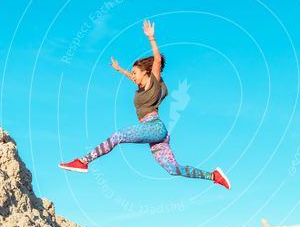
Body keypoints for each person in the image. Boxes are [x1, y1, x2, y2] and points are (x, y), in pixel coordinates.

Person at [59, 19, 231, 188]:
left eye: (135, 73)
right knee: (172, 169)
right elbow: (133, 79)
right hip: (157, 133)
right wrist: (120, 70)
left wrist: (151, 38)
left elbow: (156, 60)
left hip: (153, 127)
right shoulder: (144, 88)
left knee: (118, 136)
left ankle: (83, 161)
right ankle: (214, 176)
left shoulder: (153, 81)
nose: (133, 76)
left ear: (146, 73)